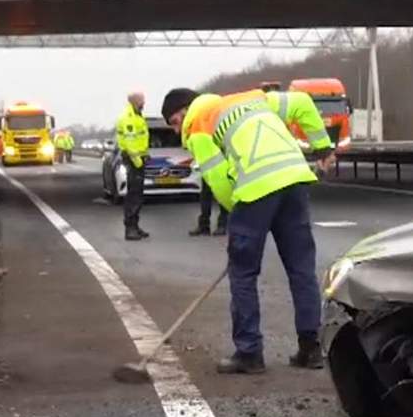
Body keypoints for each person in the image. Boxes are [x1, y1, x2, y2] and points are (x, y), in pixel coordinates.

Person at [161, 86, 336, 374]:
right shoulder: (251, 98)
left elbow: (218, 180)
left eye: (175, 122)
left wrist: (242, 217)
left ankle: (249, 352)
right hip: (295, 181)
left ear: (183, 111)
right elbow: (303, 103)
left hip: (254, 192)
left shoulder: (199, 125)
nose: (178, 129)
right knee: (302, 270)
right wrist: (323, 147)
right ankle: (311, 348)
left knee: (242, 274)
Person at [115, 92, 150, 240]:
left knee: (138, 195)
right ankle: (130, 228)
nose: (144, 103)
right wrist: (138, 160)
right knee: (133, 196)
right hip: (133, 160)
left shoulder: (137, 116)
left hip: (138, 159)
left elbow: (140, 140)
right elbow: (130, 143)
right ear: (136, 102)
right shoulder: (129, 119)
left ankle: (135, 225)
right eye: (142, 100)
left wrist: (145, 154)